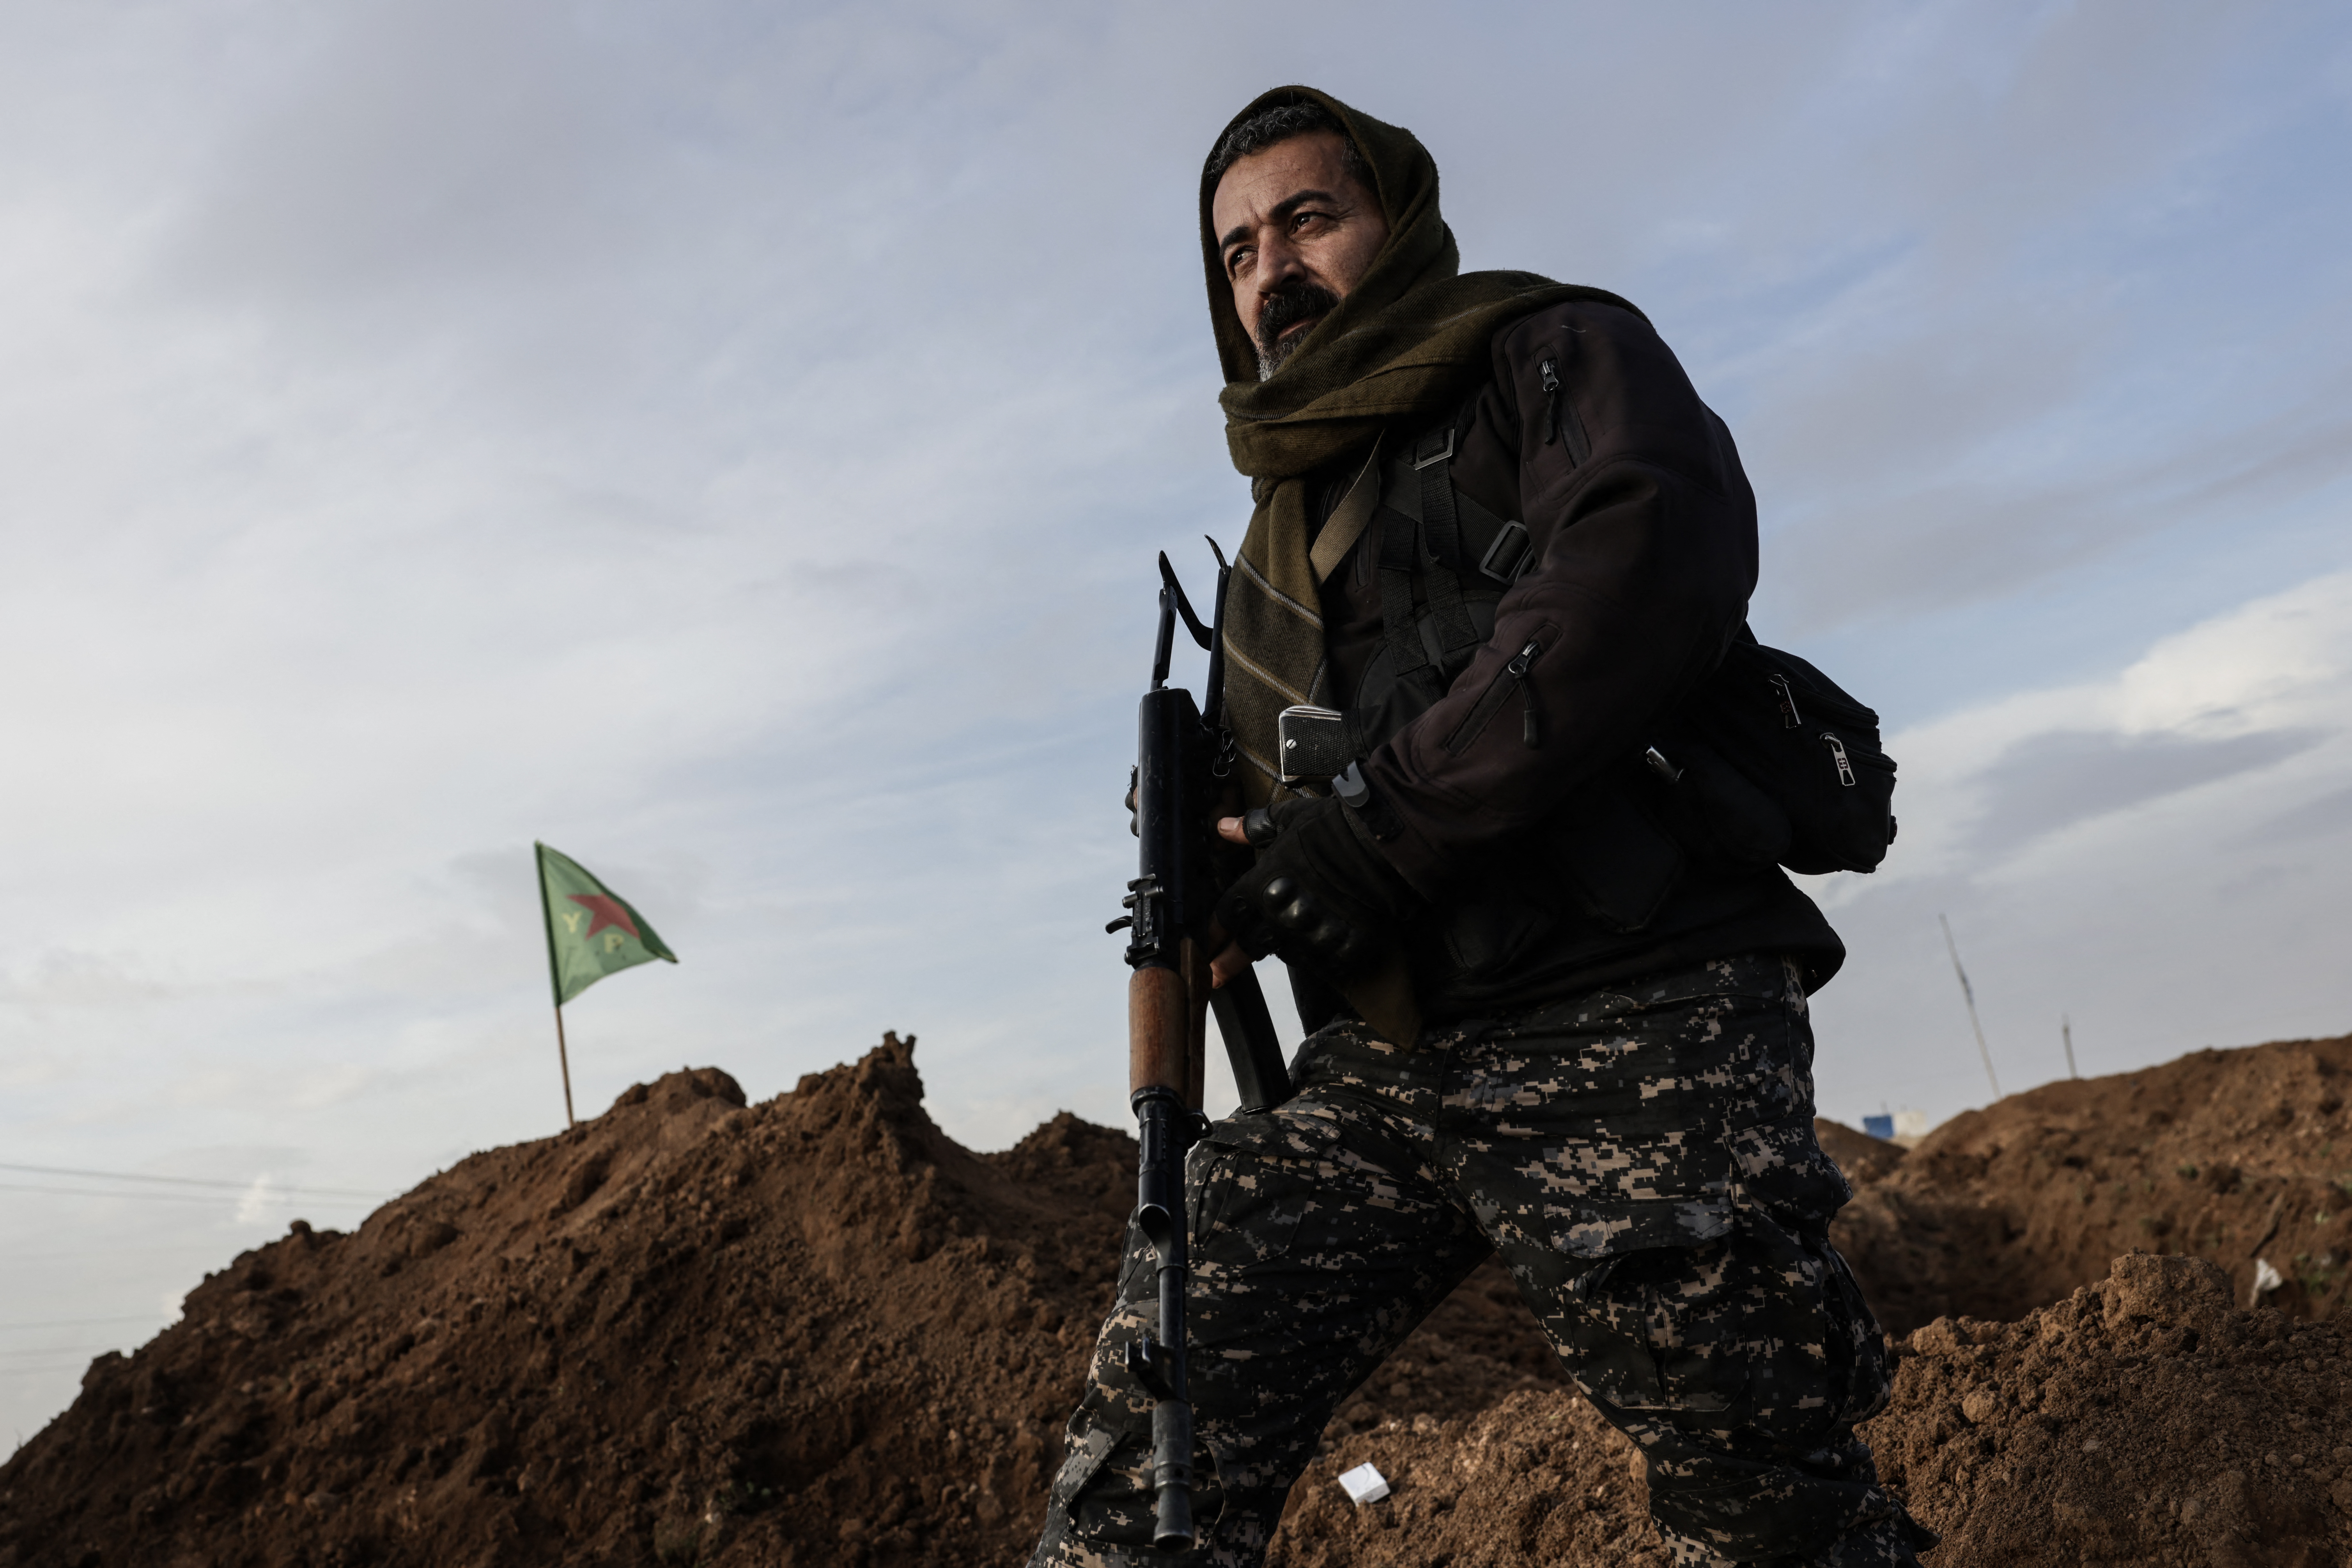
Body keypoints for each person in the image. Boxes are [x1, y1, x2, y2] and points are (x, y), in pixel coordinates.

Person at [1028, 86, 1936, 1568]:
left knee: (1768, 1511)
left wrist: (1382, 822)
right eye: (1239, 251)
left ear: (1397, 222)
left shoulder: (1550, 354)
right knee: (1149, 1452)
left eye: (1309, 219)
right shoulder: (1281, 529)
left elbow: (1644, 557)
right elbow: (1318, 822)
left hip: (1636, 1024)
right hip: (1387, 1064)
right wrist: (1232, 863)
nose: (1274, 272)